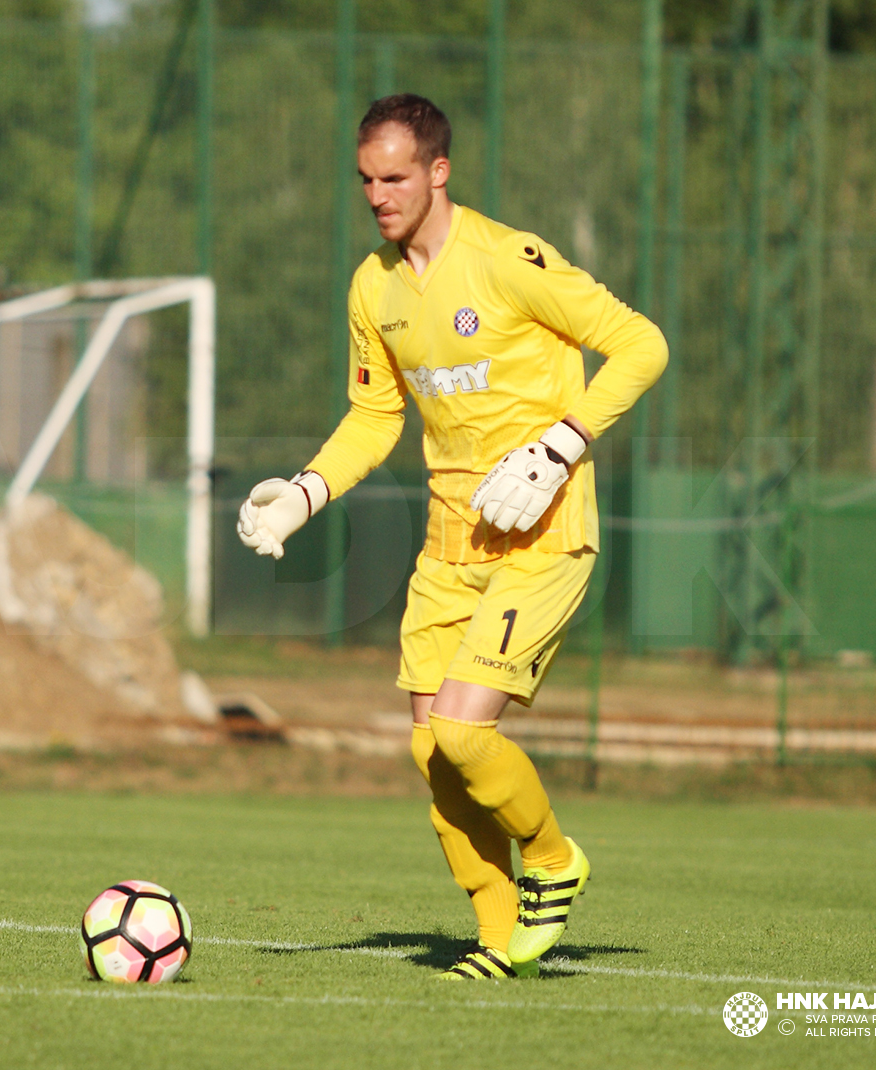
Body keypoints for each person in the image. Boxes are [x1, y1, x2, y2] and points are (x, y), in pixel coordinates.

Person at [237, 94, 667, 980]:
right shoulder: (374, 285)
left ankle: (553, 859)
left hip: (542, 535)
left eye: (394, 177)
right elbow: (372, 416)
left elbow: (640, 344)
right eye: (365, 179)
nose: (377, 195)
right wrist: (304, 495)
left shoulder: (510, 260)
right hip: (448, 546)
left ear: (438, 171)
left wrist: (560, 446)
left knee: (468, 735)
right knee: (432, 754)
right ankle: (500, 942)